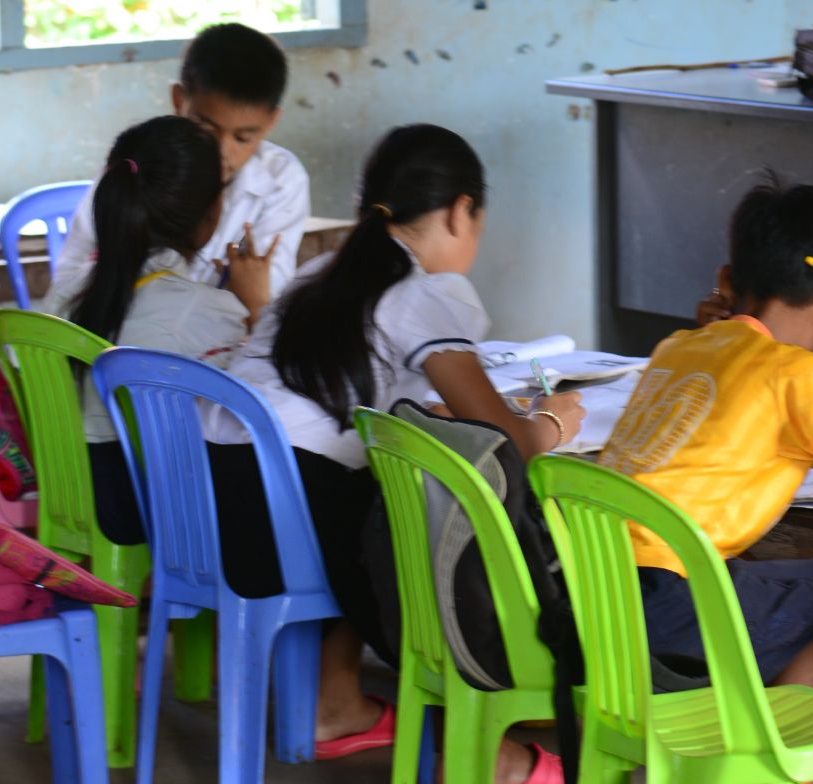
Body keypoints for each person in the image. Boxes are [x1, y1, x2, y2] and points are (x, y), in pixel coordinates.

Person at [203, 123, 585, 783]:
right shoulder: (428, 291)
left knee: (376, 475)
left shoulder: (319, 275)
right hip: (286, 519)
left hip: (213, 506)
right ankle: (486, 752)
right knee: (419, 512)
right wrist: (554, 420)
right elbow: (506, 441)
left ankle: (334, 703)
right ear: (461, 211)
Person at [598, 176, 813, 780]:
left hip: (587, 593)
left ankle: (747, 745)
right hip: (660, 610)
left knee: (760, 581)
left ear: (731, 279)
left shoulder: (679, 345)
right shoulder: (801, 376)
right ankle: (777, 762)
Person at [48, 114, 273, 545]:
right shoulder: (207, 311)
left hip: (75, 498)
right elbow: (258, 410)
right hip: (152, 514)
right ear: (214, 212)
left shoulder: (64, 298)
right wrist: (258, 308)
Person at [48, 22, 307, 304]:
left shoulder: (282, 179)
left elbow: (268, 295)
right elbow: (70, 276)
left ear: (271, 122)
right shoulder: (138, 164)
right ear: (179, 100)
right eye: (206, 130)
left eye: (243, 138)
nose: (221, 151)